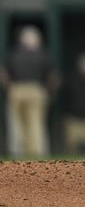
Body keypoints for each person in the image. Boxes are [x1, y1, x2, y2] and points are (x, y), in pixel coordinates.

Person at [0, 25, 59, 157]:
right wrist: (50, 91)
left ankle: (17, 151)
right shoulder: (43, 54)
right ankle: (37, 152)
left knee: (16, 123)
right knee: (36, 122)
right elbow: (53, 77)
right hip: (36, 90)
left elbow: (3, 73)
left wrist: (9, 88)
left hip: (17, 89)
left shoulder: (14, 53)